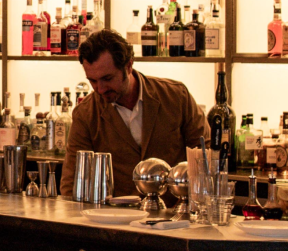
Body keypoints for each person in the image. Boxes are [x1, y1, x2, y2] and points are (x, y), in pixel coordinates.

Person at [61, 29, 206, 198]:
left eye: (107, 79)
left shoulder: (175, 96)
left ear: (128, 66)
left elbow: (204, 153)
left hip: (174, 216)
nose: (100, 89)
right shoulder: (85, 114)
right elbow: (72, 181)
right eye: (92, 81)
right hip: (116, 218)